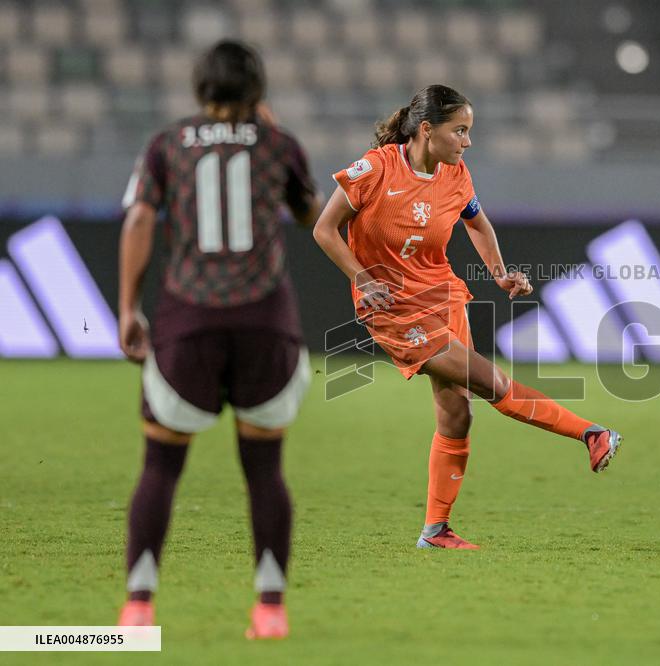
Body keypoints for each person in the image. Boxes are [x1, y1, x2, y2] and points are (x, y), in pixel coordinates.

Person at [312, 84, 622, 550]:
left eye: (469, 132)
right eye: (459, 131)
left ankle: (435, 531)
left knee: (457, 415)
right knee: (491, 383)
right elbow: (324, 228)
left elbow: (476, 222)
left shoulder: (456, 175)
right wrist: (361, 278)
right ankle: (591, 432)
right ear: (426, 130)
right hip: (394, 309)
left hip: (443, 295)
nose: (467, 142)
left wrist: (499, 273)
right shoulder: (375, 168)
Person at [116, 40, 321, 639]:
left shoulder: (167, 144)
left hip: (189, 320)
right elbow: (313, 215)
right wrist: (272, 138)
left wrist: (129, 308)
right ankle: (270, 610)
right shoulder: (279, 145)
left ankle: (138, 608)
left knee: (160, 462)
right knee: (264, 467)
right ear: (258, 90)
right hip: (265, 322)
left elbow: (138, 219)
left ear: (199, 89)